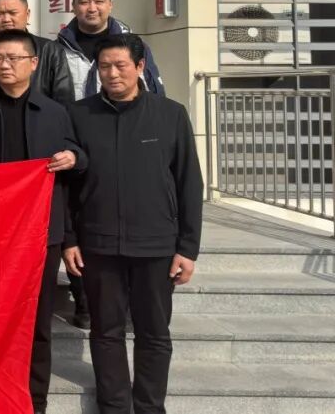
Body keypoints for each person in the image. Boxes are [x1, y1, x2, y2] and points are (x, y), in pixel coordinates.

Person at [64, 34, 203, 414]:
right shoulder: (79, 115)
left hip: (155, 245)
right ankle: (114, 406)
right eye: (104, 66)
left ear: (140, 67)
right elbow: (67, 187)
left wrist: (188, 248)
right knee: (105, 332)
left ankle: (149, 406)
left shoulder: (170, 114)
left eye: (120, 65)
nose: (112, 73)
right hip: (98, 244)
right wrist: (70, 238)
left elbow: (189, 183)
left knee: (153, 333)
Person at [0, 30, 85, 414]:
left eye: (13, 58)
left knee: (37, 321)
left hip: (41, 235)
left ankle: (34, 401)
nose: (5, 65)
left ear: (33, 63)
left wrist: (74, 158)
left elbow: (77, 164)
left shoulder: (56, 113)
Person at [57, 0, 163, 100]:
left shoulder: (136, 48)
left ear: (110, 5)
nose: (92, 9)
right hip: (71, 113)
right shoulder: (56, 50)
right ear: (73, 7)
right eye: (84, 2)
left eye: (99, 1)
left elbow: (156, 96)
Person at [0, 0, 73, 105]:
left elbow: (64, 99)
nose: (6, 19)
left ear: (27, 14)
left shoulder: (50, 50)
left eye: (12, 13)